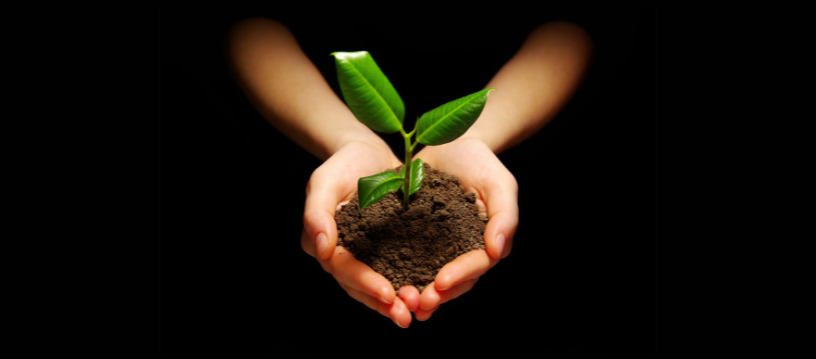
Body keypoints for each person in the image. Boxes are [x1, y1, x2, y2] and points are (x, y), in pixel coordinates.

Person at [226, 17, 593, 328]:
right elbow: (247, 24)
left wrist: (477, 135)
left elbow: (573, 26)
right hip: (290, 143)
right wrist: (348, 139)